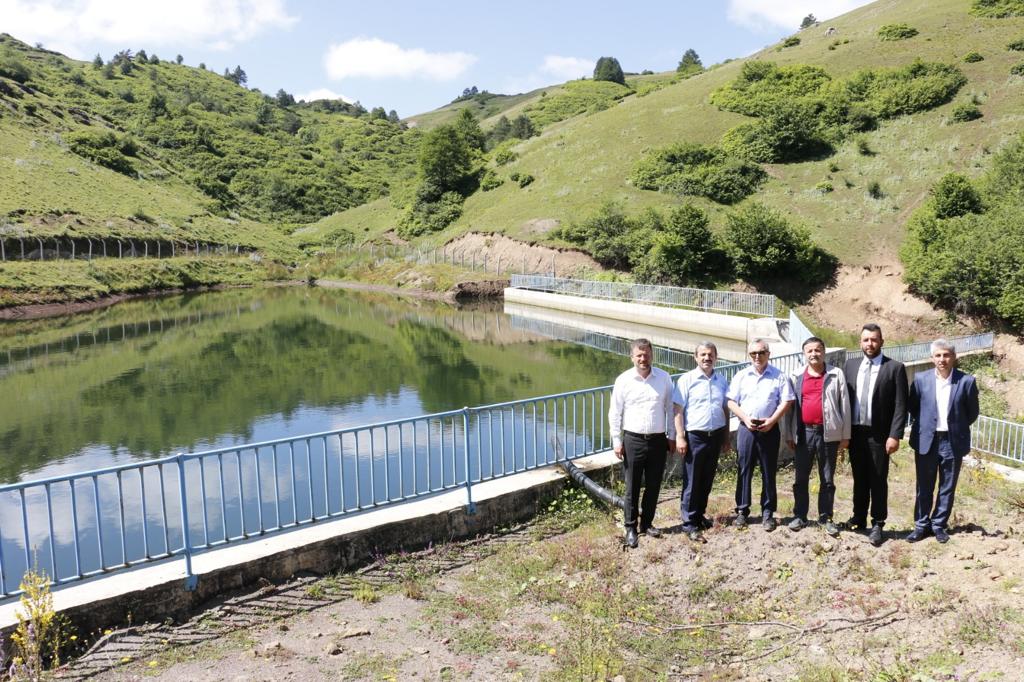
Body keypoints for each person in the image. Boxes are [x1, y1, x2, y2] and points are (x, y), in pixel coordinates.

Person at [906, 339, 980, 544]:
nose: (942, 359)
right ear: (932, 358)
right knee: (924, 486)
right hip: (926, 439)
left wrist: (955, 427)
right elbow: (914, 407)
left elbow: (972, 413)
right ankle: (921, 525)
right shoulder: (920, 379)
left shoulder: (966, 381)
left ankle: (938, 525)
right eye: (938, 355)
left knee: (947, 487)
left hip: (952, 441)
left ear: (954, 357)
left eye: (946, 355)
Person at [609, 338, 678, 548]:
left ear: (652, 355)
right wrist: (616, 440)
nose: (643, 359)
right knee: (632, 486)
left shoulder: (664, 378)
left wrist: (672, 436)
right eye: (639, 355)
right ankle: (630, 527)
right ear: (632, 357)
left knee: (654, 485)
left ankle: (647, 523)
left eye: (646, 354)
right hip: (633, 440)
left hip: (657, 440)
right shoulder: (623, 380)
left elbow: (670, 409)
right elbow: (615, 412)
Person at [844, 323, 908, 547]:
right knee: (859, 477)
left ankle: (878, 523)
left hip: (880, 435)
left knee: (878, 479)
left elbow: (901, 405)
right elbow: (844, 401)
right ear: (860, 342)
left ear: (882, 341)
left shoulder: (895, 368)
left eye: (873, 340)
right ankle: (858, 517)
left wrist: (895, 435)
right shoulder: (850, 366)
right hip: (855, 433)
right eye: (865, 340)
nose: (869, 344)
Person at [783, 337, 851, 537]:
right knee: (800, 477)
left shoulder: (835, 374)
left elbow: (844, 406)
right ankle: (800, 516)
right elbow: (789, 409)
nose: (814, 354)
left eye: (818, 350)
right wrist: (789, 434)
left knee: (827, 478)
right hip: (804, 433)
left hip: (828, 433)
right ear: (804, 354)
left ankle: (826, 517)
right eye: (810, 350)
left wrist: (845, 435)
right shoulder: (795, 376)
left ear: (824, 351)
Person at [727, 338, 795, 531]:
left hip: (769, 428)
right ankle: (742, 511)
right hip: (746, 428)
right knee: (744, 469)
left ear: (768, 354)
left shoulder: (779, 376)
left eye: (761, 353)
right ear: (749, 355)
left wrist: (772, 421)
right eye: (753, 353)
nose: (757, 357)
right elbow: (731, 401)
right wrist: (746, 419)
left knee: (768, 471)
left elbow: (787, 401)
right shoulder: (741, 375)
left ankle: (768, 513)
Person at [673, 341, 731, 542]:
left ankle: (699, 516)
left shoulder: (721, 380)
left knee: (707, 479)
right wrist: (680, 436)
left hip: (715, 436)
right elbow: (678, 411)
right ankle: (689, 523)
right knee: (692, 481)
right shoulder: (686, 380)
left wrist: (725, 436)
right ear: (695, 357)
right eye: (703, 355)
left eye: (711, 354)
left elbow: (725, 408)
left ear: (716, 357)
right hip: (695, 437)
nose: (707, 358)